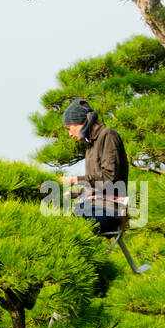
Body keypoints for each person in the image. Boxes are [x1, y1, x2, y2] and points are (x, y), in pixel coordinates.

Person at [60, 99, 129, 234]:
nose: (69, 134)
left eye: (69, 128)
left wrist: (75, 179)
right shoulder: (91, 145)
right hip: (93, 206)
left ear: (80, 122)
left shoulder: (108, 135)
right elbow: (95, 185)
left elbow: (110, 177)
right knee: (57, 224)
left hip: (108, 210)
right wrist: (70, 193)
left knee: (72, 229)